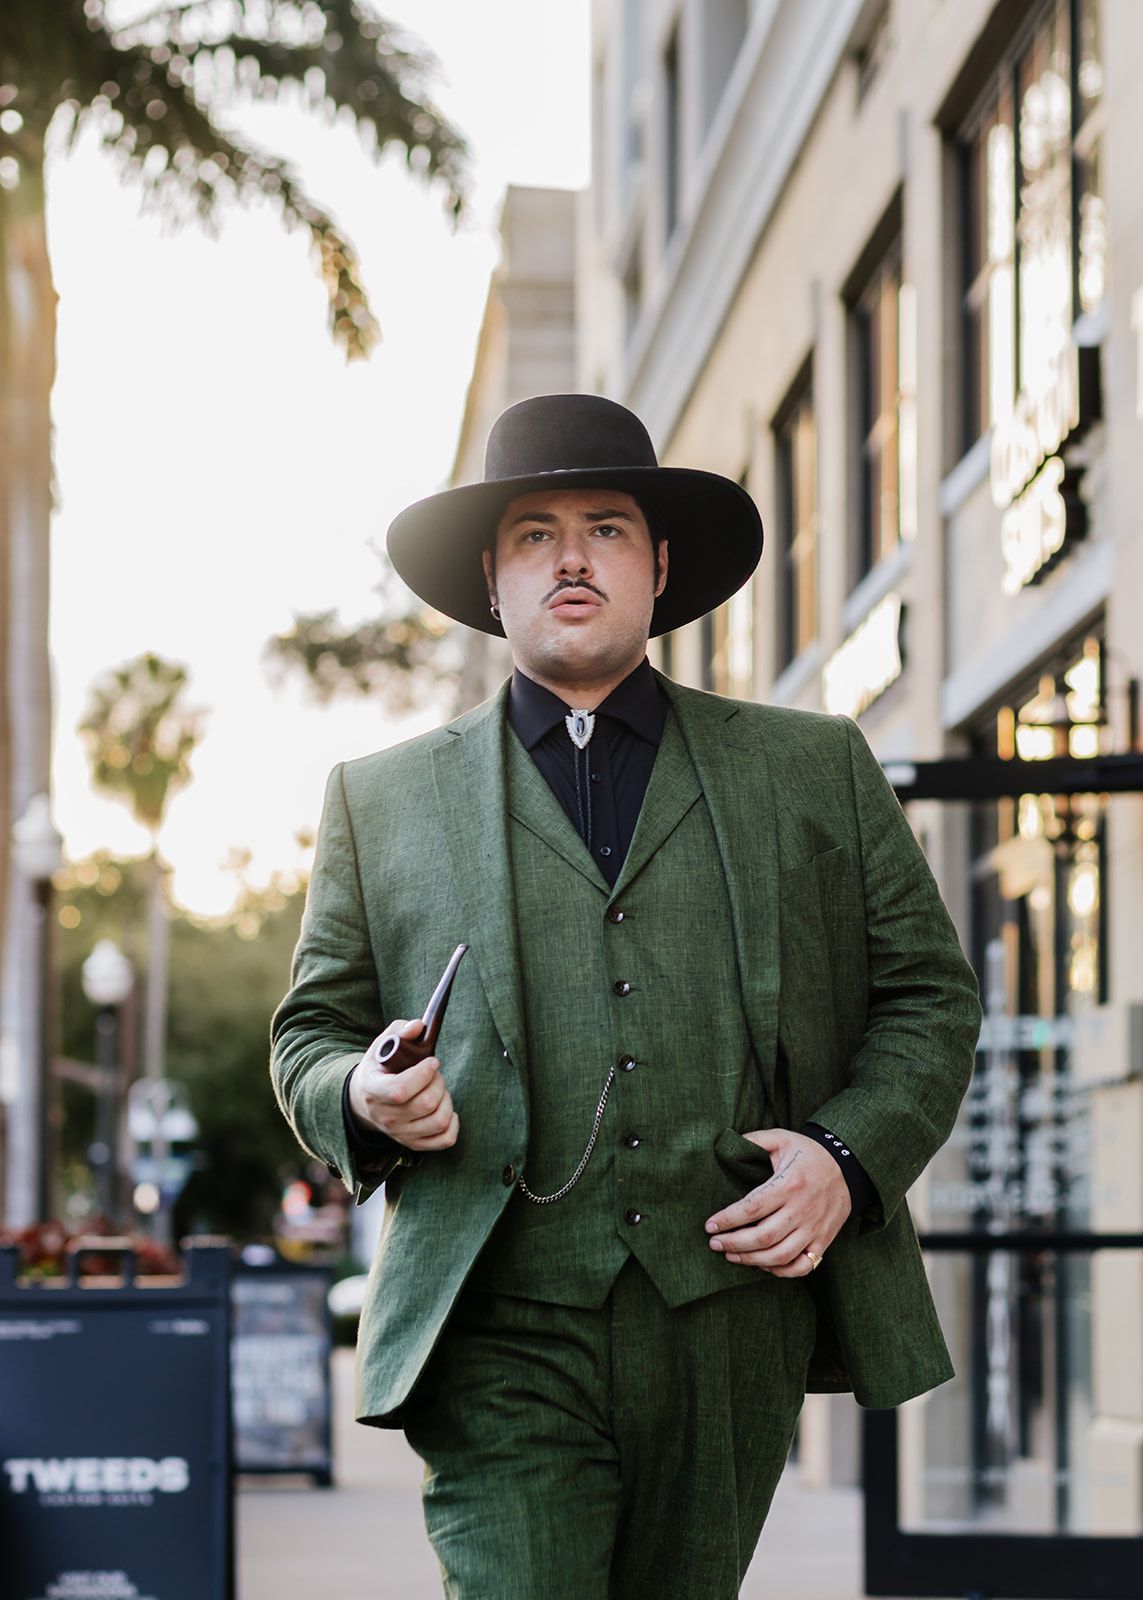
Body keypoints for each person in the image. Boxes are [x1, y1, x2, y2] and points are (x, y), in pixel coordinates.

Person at [270, 392, 982, 1599]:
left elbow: (928, 995)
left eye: (604, 527)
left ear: (657, 566)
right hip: (498, 1322)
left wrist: (844, 1154)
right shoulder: (378, 799)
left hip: (728, 1313)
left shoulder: (812, 767)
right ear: (492, 582)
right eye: (534, 533)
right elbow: (310, 1037)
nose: (571, 557)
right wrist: (363, 1093)